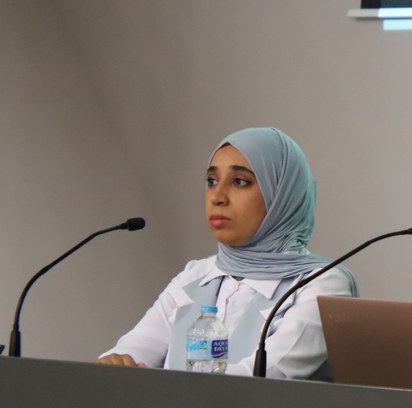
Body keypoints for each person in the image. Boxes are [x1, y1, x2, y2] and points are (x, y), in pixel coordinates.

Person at [98, 127, 355, 378]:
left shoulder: (321, 284)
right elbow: (136, 348)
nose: (217, 197)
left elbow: (268, 376)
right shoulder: (196, 276)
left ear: (282, 195)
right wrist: (114, 365)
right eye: (211, 181)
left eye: (240, 182)